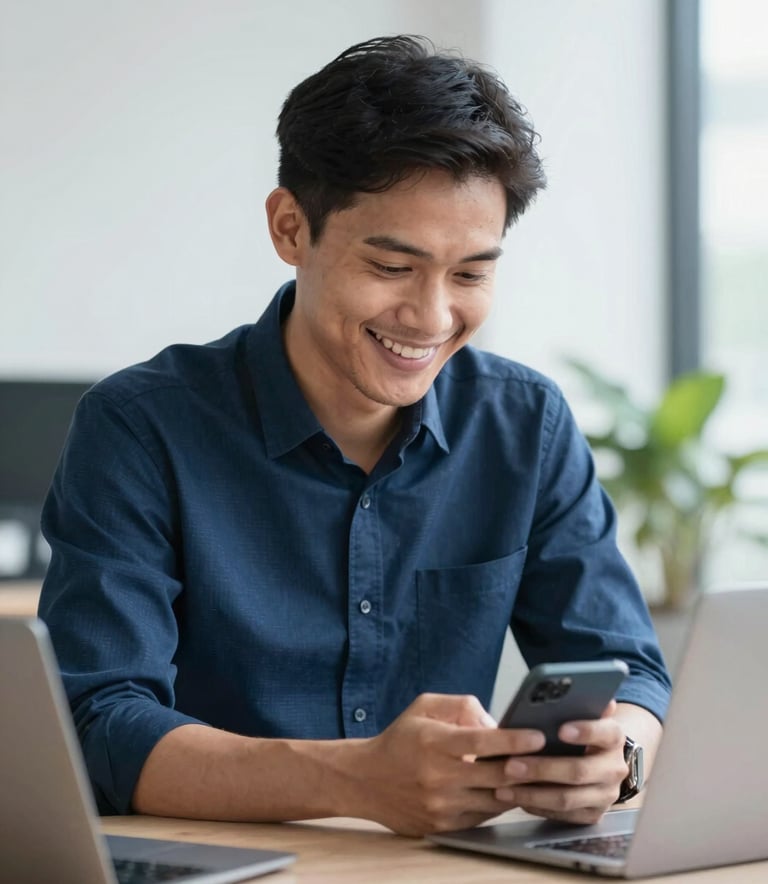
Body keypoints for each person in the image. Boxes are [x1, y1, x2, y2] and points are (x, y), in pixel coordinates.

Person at [38, 35, 670, 837]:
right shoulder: (140, 427)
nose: (432, 317)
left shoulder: (525, 426)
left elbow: (630, 672)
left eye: (471, 274)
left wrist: (617, 762)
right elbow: (97, 723)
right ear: (290, 228)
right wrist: (355, 780)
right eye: (392, 267)